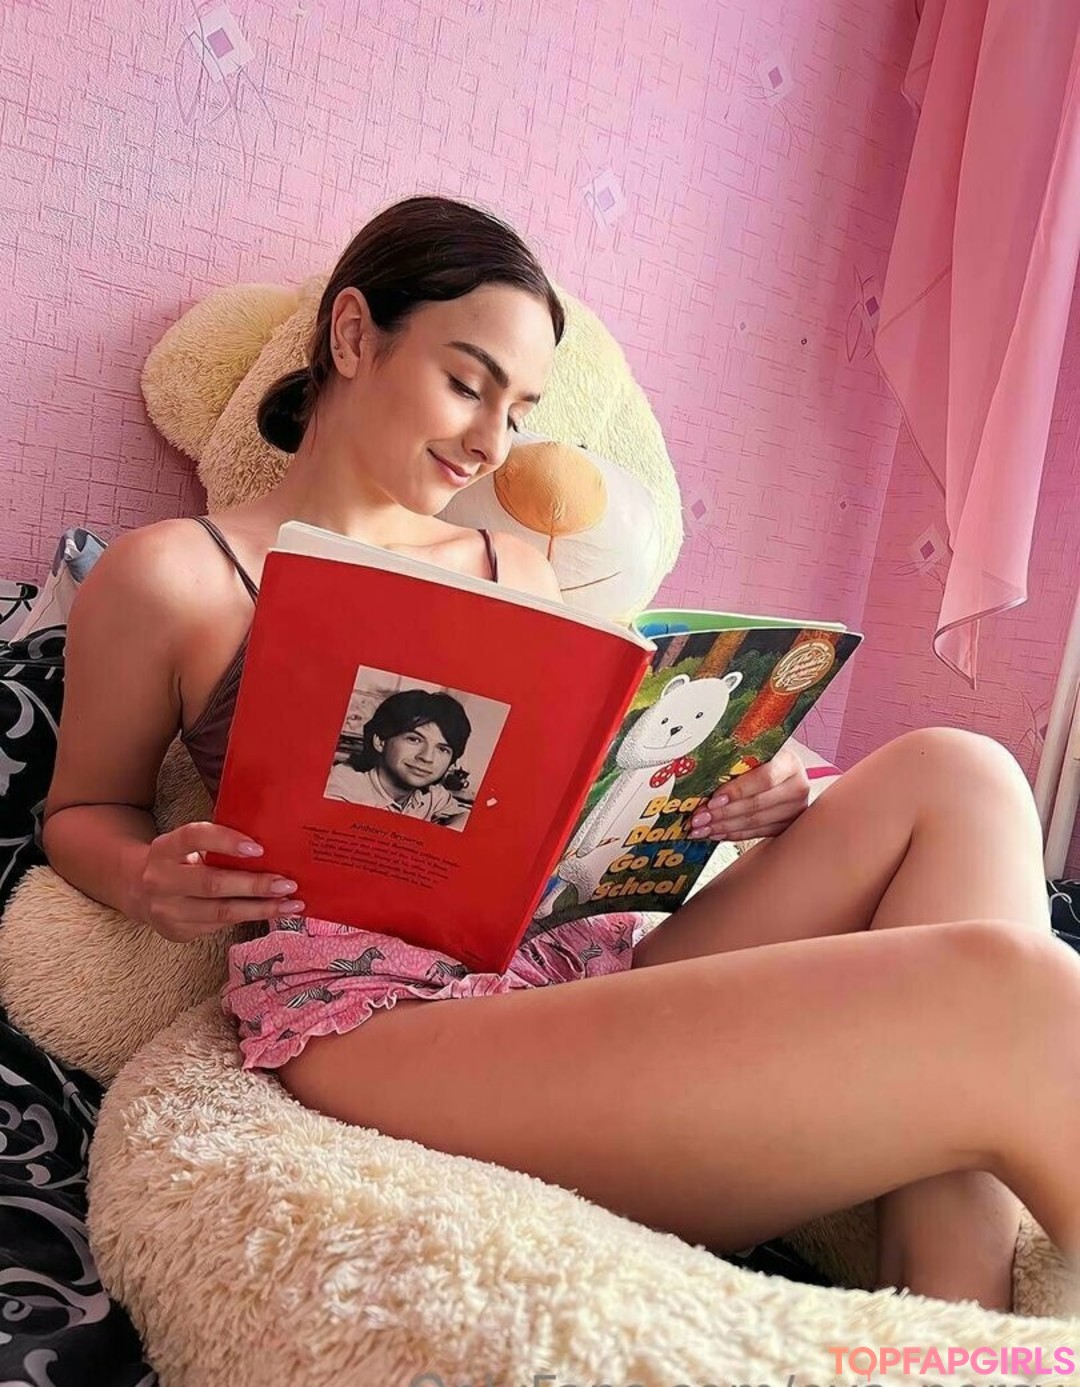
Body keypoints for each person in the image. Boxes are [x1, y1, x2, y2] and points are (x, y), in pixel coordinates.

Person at [40, 193, 1080, 1317]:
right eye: (467, 383)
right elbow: (82, 810)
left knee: (965, 775)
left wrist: (733, 788)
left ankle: (961, 1330)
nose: (491, 443)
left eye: (519, 410)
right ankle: (970, 1329)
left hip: (575, 969)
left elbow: (579, 803)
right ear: (352, 335)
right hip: (381, 1019)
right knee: (1014, 993)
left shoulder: (517, 570)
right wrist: (146, 878)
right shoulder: (173, 577)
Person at [325, 688, 471, 828]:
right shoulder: (341, 789)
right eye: (414, 739)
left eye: (442, 749)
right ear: (380, 741)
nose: (427, 758)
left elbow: (465, 817)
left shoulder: (434, 795)